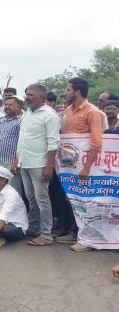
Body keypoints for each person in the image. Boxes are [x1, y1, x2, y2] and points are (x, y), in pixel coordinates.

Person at [56, 78, 103, 251]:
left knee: (85, 201)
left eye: (68, 89)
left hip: (84, 166)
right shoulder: (68, 110)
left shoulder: (93, 111)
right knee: (70, 199)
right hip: (68, 164)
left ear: (77, 92)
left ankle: (88, 239)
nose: (65, 92)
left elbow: (97, 142)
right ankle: (73, 232)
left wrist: (87, 167)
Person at [14, 83, 60, 246]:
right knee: (31, 198)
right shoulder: (27, 114)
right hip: (25, 162)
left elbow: (53, 143)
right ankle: (34, 228)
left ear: (41, 97)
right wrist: (17, 161)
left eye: (31, 95)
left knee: (42, 199)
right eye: (26, 94)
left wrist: (49, 166)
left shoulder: (50, 115)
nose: (27, 97)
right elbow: (22, 139)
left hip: (40, 164)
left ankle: (46, 234)